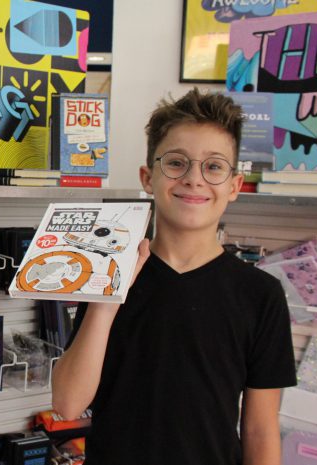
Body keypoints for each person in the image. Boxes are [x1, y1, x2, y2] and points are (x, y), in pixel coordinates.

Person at [51, 89, 296, 465]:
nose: (194, 179)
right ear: (148, 178)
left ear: (234, 185)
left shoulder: (260, 295)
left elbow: (260, 431)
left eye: (213, 166)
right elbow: (68, 403)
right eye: (177, 163)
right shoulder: (113, 271)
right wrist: (108, 298)